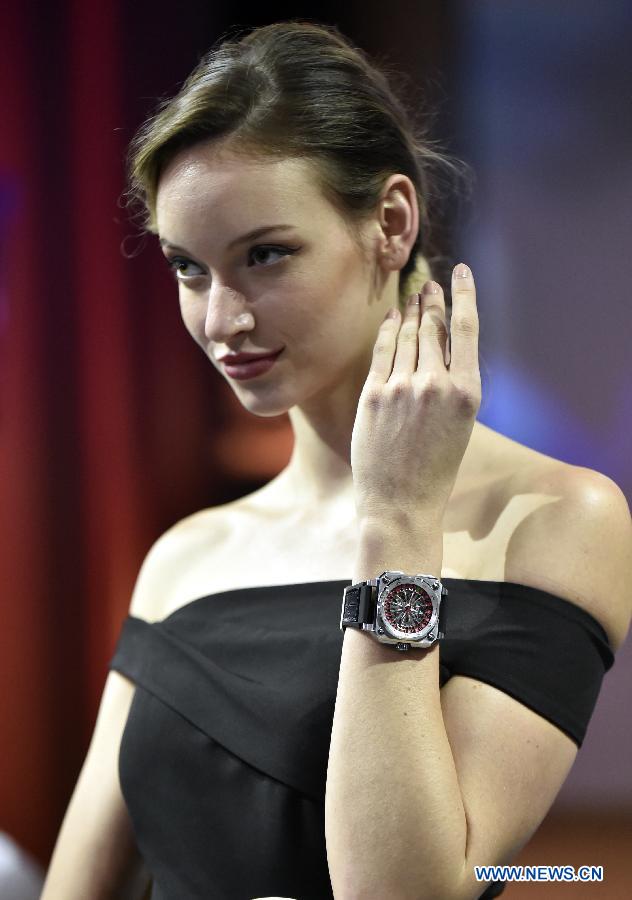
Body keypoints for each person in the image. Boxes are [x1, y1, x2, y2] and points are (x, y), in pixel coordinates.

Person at [42, 20, 631, 900]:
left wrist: (397, 516)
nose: (222, 320)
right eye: (189, 269)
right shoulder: (186, 556)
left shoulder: (558, 519)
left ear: (390, 224)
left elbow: (401, 891)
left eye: (266, 255)